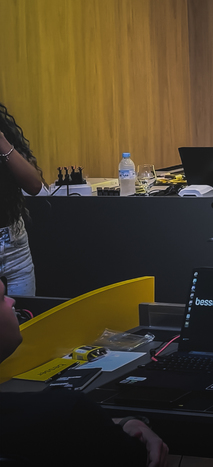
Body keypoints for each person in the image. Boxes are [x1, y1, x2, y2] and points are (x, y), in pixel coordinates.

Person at [0, 277, 171, 466]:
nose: (11, 301)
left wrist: (123, 422)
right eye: (1, 298)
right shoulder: (68, 410)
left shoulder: (25, 416)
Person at [0, 103, 48, 296]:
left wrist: (2, 141)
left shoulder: (4, 131)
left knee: (24, 313)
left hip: (15, 250)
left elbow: (34, 186)